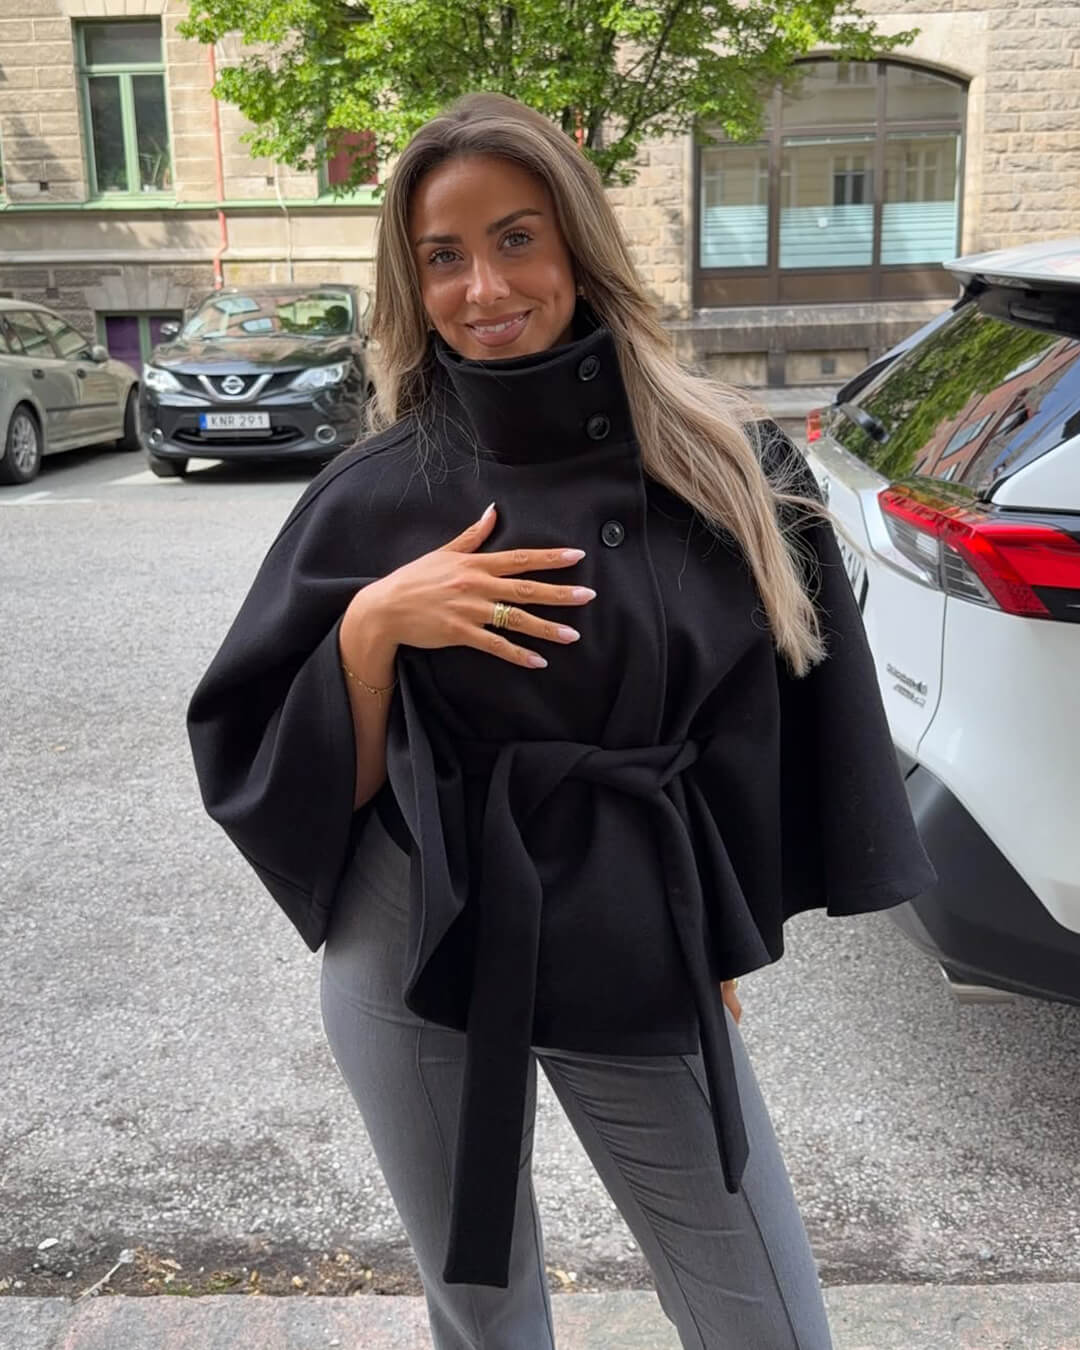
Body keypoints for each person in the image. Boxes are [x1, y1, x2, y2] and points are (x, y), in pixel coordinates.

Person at [188, 92, 936, 1350]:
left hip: (631, 918)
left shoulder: (724, 462)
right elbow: (289, 778)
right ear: (413, 280)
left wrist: (714, 927)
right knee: (482, 1312)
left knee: (767, 1318)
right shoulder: (374, 494)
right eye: (444, 255)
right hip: (411, 920)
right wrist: (372, 626)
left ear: (578, 244)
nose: (484, 287)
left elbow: (770, 724)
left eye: (516, 239)